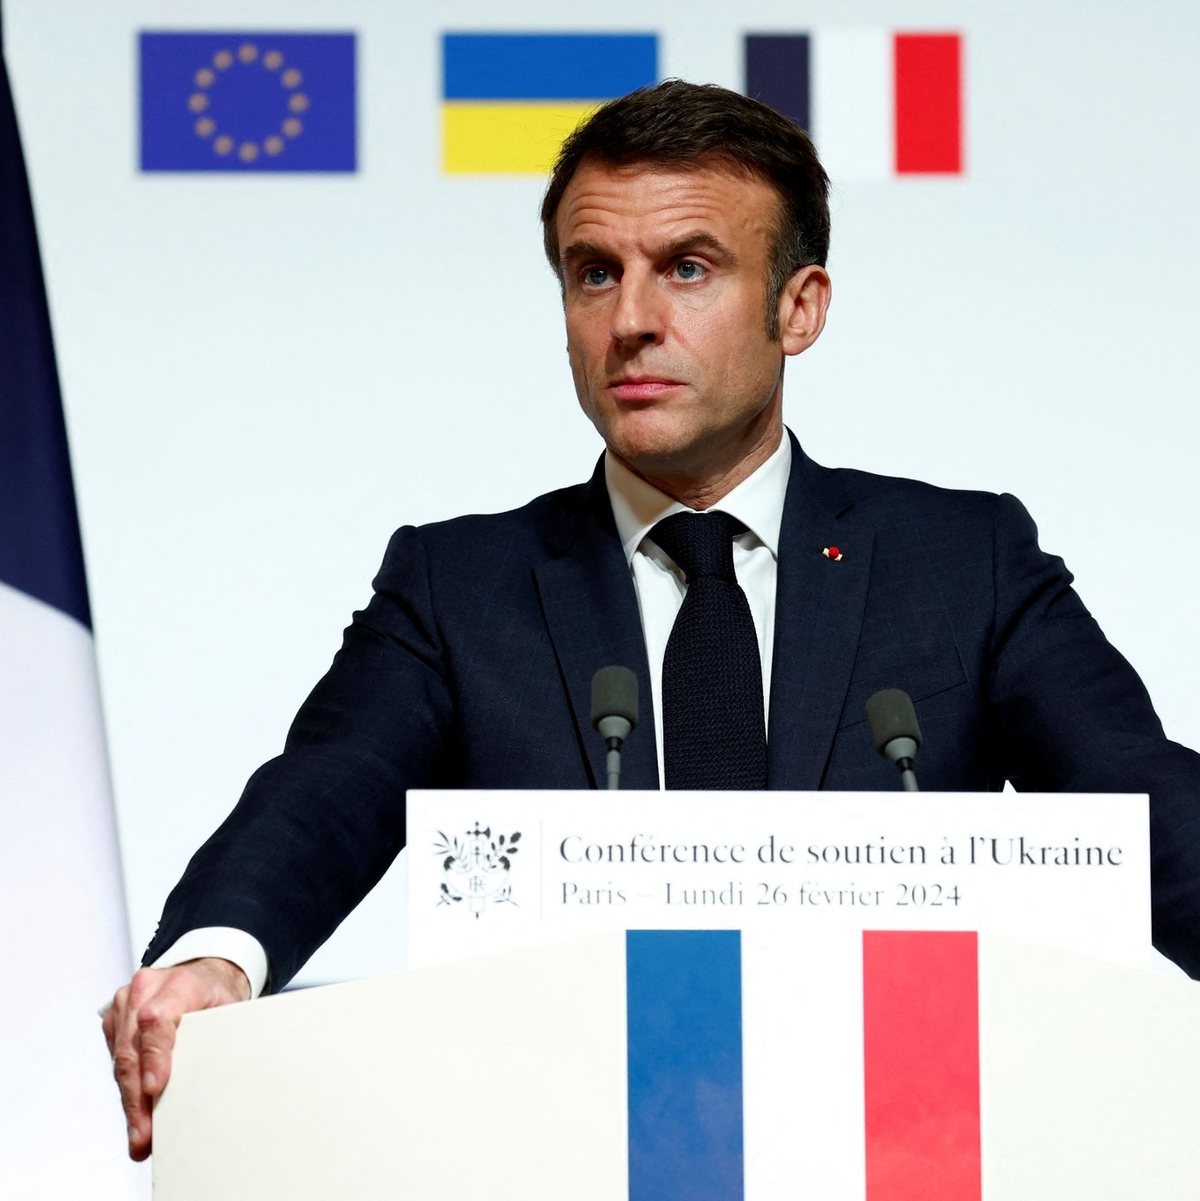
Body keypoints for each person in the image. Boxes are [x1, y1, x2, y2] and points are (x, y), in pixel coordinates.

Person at [102, 80, 1200, 1160]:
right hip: (563, 1149)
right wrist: (213, 959)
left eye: (687, 267)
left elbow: (1142, 802)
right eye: (594, 273)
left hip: (902, 1144)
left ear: (799, 307)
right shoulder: (459, 586)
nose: (629, 321)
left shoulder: (963, 563)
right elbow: (322, 794)